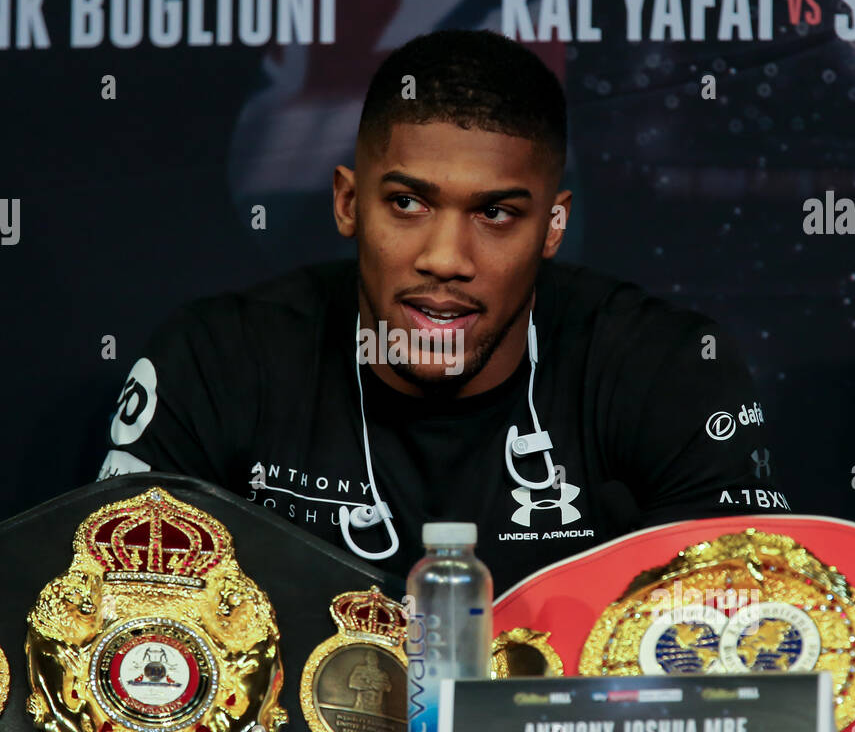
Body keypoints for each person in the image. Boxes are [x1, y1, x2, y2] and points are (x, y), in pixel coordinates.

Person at [98, 29, 787, 593]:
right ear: (346, 202)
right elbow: (114, 624)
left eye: (496, 213)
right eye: (407, 203)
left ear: (553, 225)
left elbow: (734, 654)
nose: (446, 257)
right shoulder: (218, 361)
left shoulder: (664, 370)